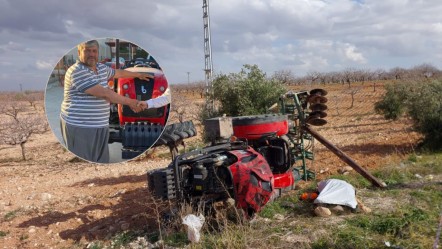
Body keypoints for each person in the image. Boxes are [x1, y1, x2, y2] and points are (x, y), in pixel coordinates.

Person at [60, 39, 167, 163]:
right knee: (86, 161)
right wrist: (132, 102)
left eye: (94, 51)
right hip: (81, 126)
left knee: (100, 160)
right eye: (87, 51)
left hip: (100, 125)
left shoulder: (100, 68)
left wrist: (138, 75)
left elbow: (118, 73)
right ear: (79, 52)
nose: (91, 54)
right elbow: (106, 94)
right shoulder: (77, 71)